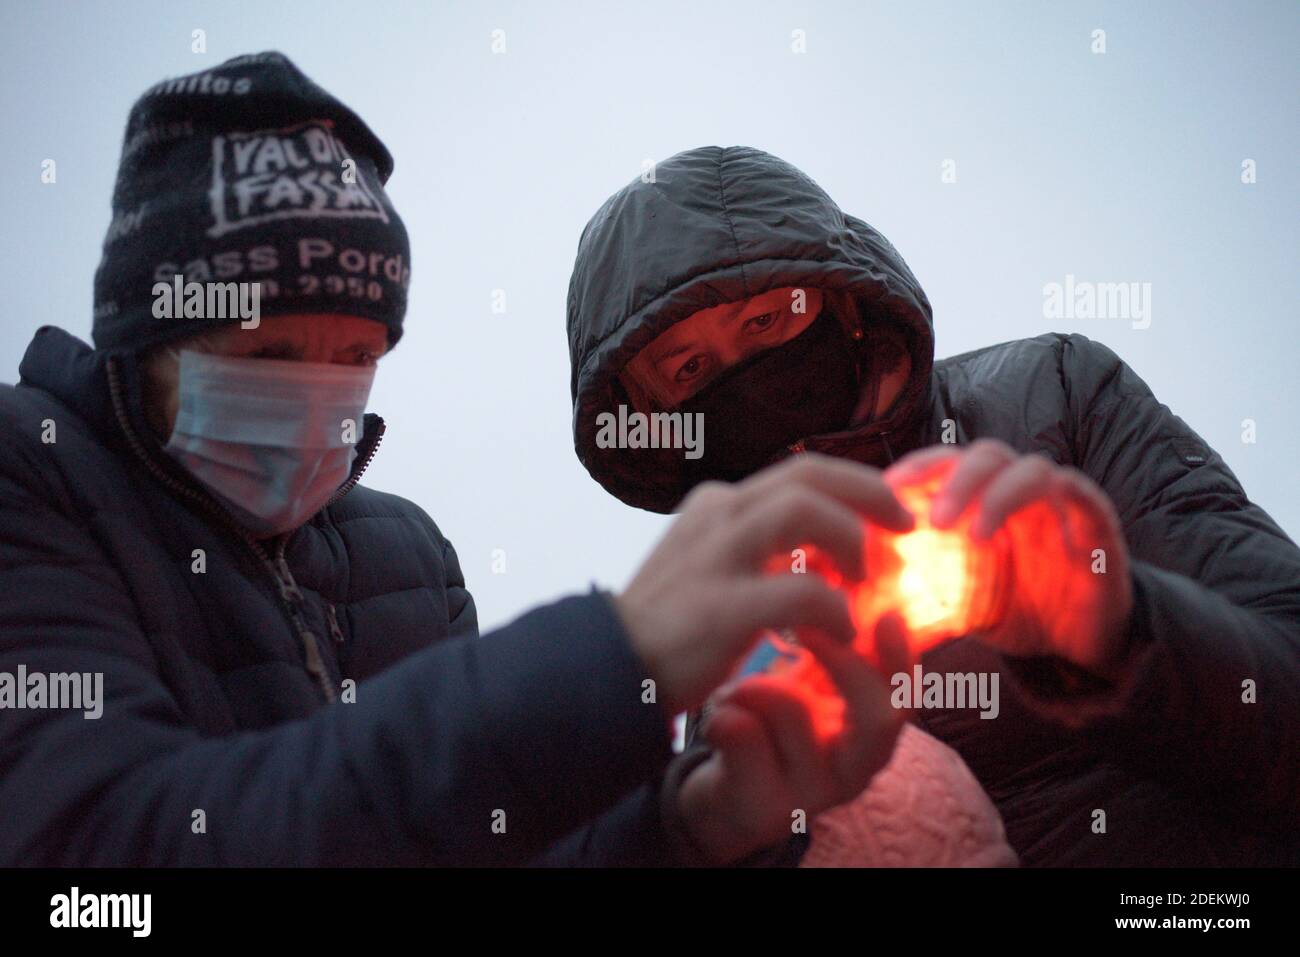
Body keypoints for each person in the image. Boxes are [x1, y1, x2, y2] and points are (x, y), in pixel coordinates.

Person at [0, 55, 914, 867]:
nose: (317, 392)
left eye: (356, 358)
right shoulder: (30, 478)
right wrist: (610, 656)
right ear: (147, 331)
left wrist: (693, 823)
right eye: (270, 355)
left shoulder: (408, 555)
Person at [565, 145, 1300, 866]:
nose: (748, 378)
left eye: (765, 321)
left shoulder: (1053, 399)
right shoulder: (729, 620)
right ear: (661, 419)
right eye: (691, 368)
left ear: (841, 300)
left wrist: (1115, 626)